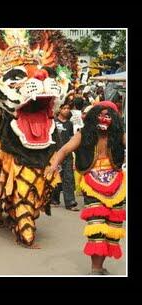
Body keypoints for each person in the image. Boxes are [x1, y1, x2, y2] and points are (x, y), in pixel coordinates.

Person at [46, 101, 126, 275]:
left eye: (108, 115)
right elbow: (64, 150)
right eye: (100, 114)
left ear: (114, 119)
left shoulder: (119, 135)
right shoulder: (83, 135)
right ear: (93, 116)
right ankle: (95, 268)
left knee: (112, 229)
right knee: (97, 227)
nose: (104, 119)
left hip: (117, 186)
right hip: (92, 185)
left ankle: (100, 266)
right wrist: (53, 166)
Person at [50, 102, 79, 211]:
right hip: (56, 153)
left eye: (68, 108)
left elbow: (72, 139)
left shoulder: (70, 124)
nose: (66, 110)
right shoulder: (53, 122)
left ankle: (70, 201)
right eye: (64, 108)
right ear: (59, 110)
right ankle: (54, 199)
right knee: (56, 176)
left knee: (68, 177)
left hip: (67, 154)